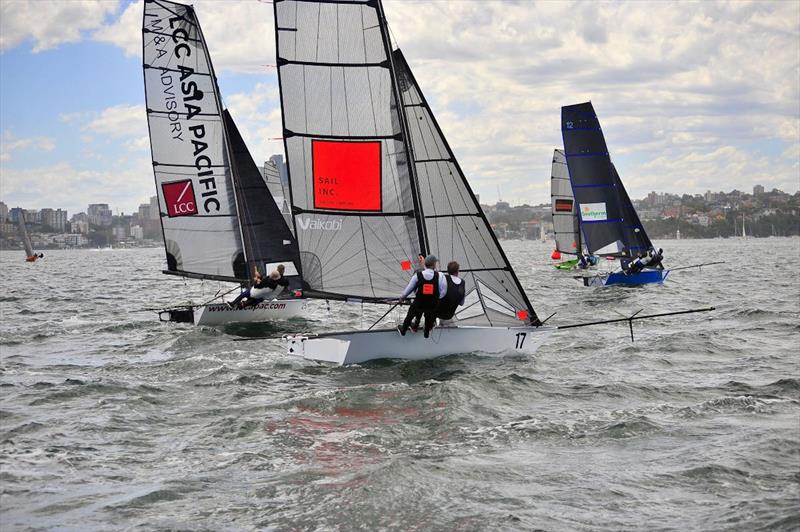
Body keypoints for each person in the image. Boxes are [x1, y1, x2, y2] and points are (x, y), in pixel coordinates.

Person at [397, 254, 447, 338]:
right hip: (431, 304)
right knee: (429, 315)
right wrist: (436, 298)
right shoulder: (440, 276)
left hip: (419, 303)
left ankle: (403, 330)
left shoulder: (417, 276)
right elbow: (443, 291)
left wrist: (402, 298)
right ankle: (426, 333)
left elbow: (408, 290)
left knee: (410, 314)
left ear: (425, 264)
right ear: (433, 264)